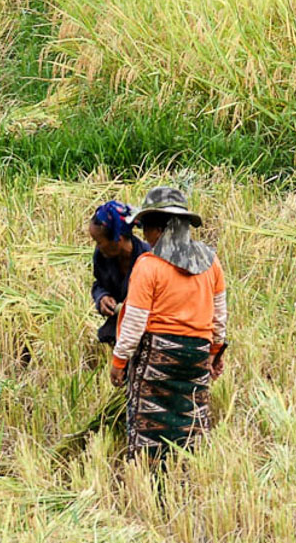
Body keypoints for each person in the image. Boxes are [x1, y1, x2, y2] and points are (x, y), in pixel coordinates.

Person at [111, 186, 229, 457]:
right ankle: (187, 467)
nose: (144, 236)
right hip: (197, 356)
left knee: (147, 424)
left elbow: (135, 322)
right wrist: (215, 351)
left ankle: (149, 469)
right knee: (191, 419)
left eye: (146, 228)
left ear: (160, 229)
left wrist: (119, 361)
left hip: (157, 356)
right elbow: (219, 315)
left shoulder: (148, 265)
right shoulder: (211, 262)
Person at [87, 199, 149, 347]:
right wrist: (102, 298)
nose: (97, 247)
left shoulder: (148, 260)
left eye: (99, 242)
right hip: (120, 328)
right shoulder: (101, 257)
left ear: (118, 240)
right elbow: (99, 284)